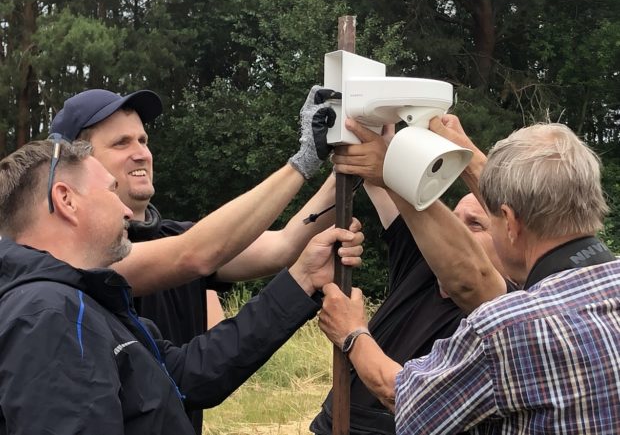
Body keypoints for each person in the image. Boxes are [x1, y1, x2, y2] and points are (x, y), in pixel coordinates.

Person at [0, 138, 364, 435]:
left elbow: (190, 375)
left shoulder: (82, 305)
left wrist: (303, 279)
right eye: (111, 191)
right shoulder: (50, 315)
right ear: (66, 200)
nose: (125, 210)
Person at [49, 87, 339, 430]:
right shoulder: (79, 258)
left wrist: (349, 168)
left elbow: (284, 245)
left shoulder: (174, 235)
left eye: (143, 140)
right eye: (121, 143)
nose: (141, 153)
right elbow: (195, 254)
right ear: (78, 165)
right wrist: (303, 161)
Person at [320, 121, 619, 434]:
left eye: (480, 222)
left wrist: (352, 334)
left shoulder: (505, 328)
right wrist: (461, 149)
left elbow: (410, 399)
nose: (459, 231)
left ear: (510, 222)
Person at [310, 123, 511, 435]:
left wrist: (351, 333)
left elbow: (402, 394)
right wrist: (368, 123)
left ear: (510, 240)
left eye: (474, 224)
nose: (455, 229)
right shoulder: (421, 261)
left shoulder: (504, 307)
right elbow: (375, 175)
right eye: (452, 219)